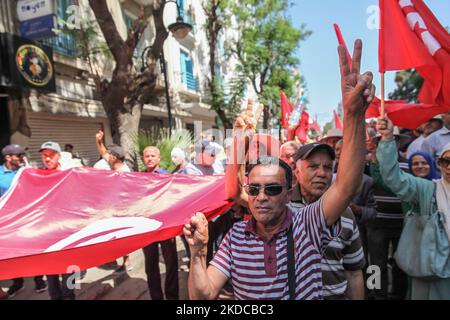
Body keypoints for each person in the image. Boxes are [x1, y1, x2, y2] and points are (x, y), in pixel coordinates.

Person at [184, 39, 375, 300]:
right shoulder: (236, 236)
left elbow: (345, 186)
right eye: (254, 189)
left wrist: (353, 115)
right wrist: (198, 252)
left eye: (273, 189)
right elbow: (201, 299)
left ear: (288, 193)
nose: (262, 196)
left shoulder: (307, 223)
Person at [376, 116, 450, 300]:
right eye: (446, 161)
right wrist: (386, 139)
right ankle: (376, 292)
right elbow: (393, 177)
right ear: (439, 165)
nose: (449, 166)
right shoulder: (428, 189)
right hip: (432, 269)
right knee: (376, 266)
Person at [289, 142, 366, 300]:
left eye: (328, 168)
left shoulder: (346, 214)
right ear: (297, 171)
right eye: (313, 166)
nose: (322, 173)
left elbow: (354, 272)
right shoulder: (281, 207)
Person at [1, 144, 48, 298]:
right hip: (8, 222)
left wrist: (30, 172)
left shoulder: (26, 171)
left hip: (28, 219)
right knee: (12, 253)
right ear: (8, 158)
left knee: (35, 250)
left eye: (23, 154)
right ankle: (18, 281)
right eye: (18, 155)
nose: (22, 158)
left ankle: (39, 279)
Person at [141, 146, 179, 300]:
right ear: (143, 158)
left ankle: (172, 297)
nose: (149, 158)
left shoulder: (166, 176)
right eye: (147, 156)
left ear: (158, 158)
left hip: (165, 226)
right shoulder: (139, 176)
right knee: (151, 266)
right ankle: (156, 296)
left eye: (152, 156)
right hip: (146, 227)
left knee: (171, 264)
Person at [39, 142, 76, 300]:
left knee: (71, 268)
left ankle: (71, 296)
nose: (47, 158)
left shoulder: (70, 175)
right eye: (44, 155)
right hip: (46, 233)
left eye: (51, 155)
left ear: (59, 156)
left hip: (68, 231)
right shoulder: (37, 177)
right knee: (50, 271)